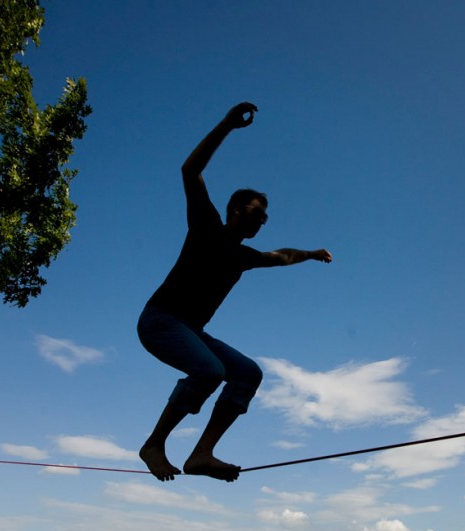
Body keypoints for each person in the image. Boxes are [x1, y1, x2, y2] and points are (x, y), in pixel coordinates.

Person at [137, 102, 332, 482]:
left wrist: (309, 254)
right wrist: (226, 125)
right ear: (238, 209)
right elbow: (190, 170)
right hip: (159, 320)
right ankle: (154, 444)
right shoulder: (206, 225)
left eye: (266, 217)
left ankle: (201, 454)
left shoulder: (243, 256)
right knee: (210, 370)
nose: (263, 220)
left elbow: (280, 256)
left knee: (246, 372)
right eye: (258, 213)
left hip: (191, 330)